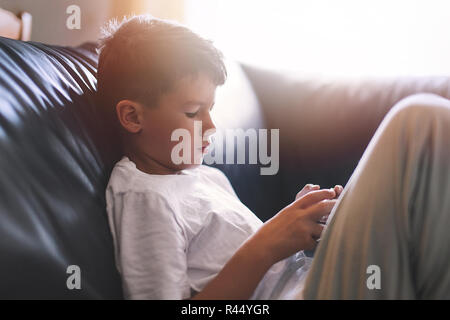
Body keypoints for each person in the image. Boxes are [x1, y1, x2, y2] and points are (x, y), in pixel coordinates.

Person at [99, 15, 450, 300]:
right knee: (419, 122)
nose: (211, 126)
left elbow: (245, 262)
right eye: (193, 113)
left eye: (211, 109)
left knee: (424, 167)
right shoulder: (144, 196)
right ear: (132, 117)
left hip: (311, 277)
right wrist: (266, 245)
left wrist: (296, 224)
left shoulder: (201, 176)